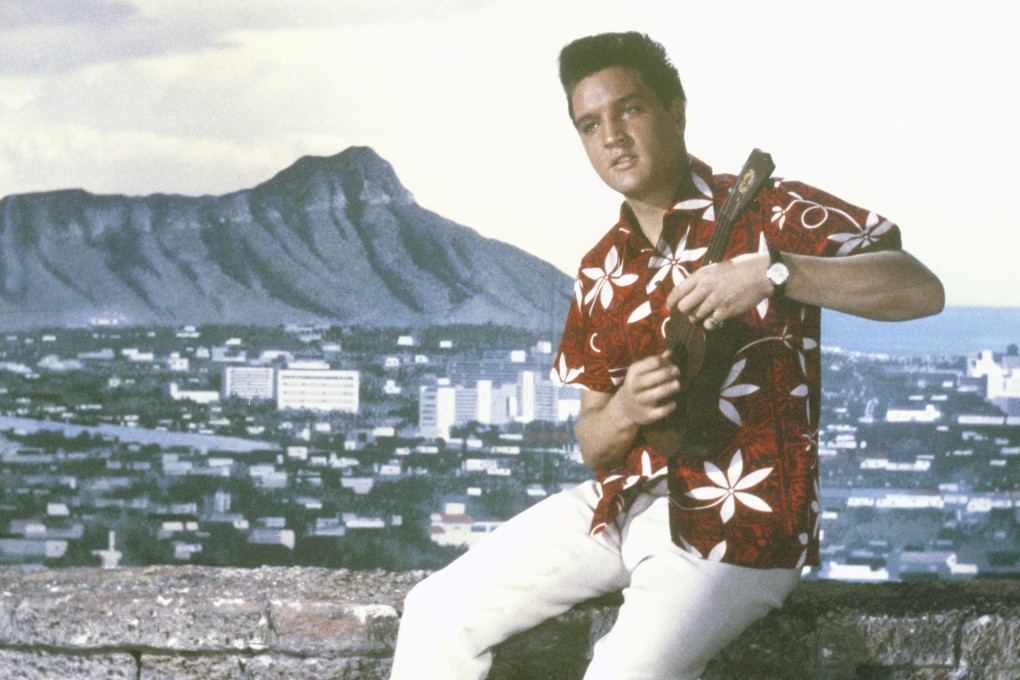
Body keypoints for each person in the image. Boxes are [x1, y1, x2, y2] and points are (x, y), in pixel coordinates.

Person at [389, 31, 944, 680]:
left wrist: (775, 272)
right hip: (619, 508)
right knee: (435, 610)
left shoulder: (766, 211)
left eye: (630, 109)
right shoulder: (601, 267)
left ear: (675, 111)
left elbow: (920, 289)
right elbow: (594, 442)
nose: (612, 137)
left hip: (741, 519)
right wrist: (625, 409)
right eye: (590, 124)